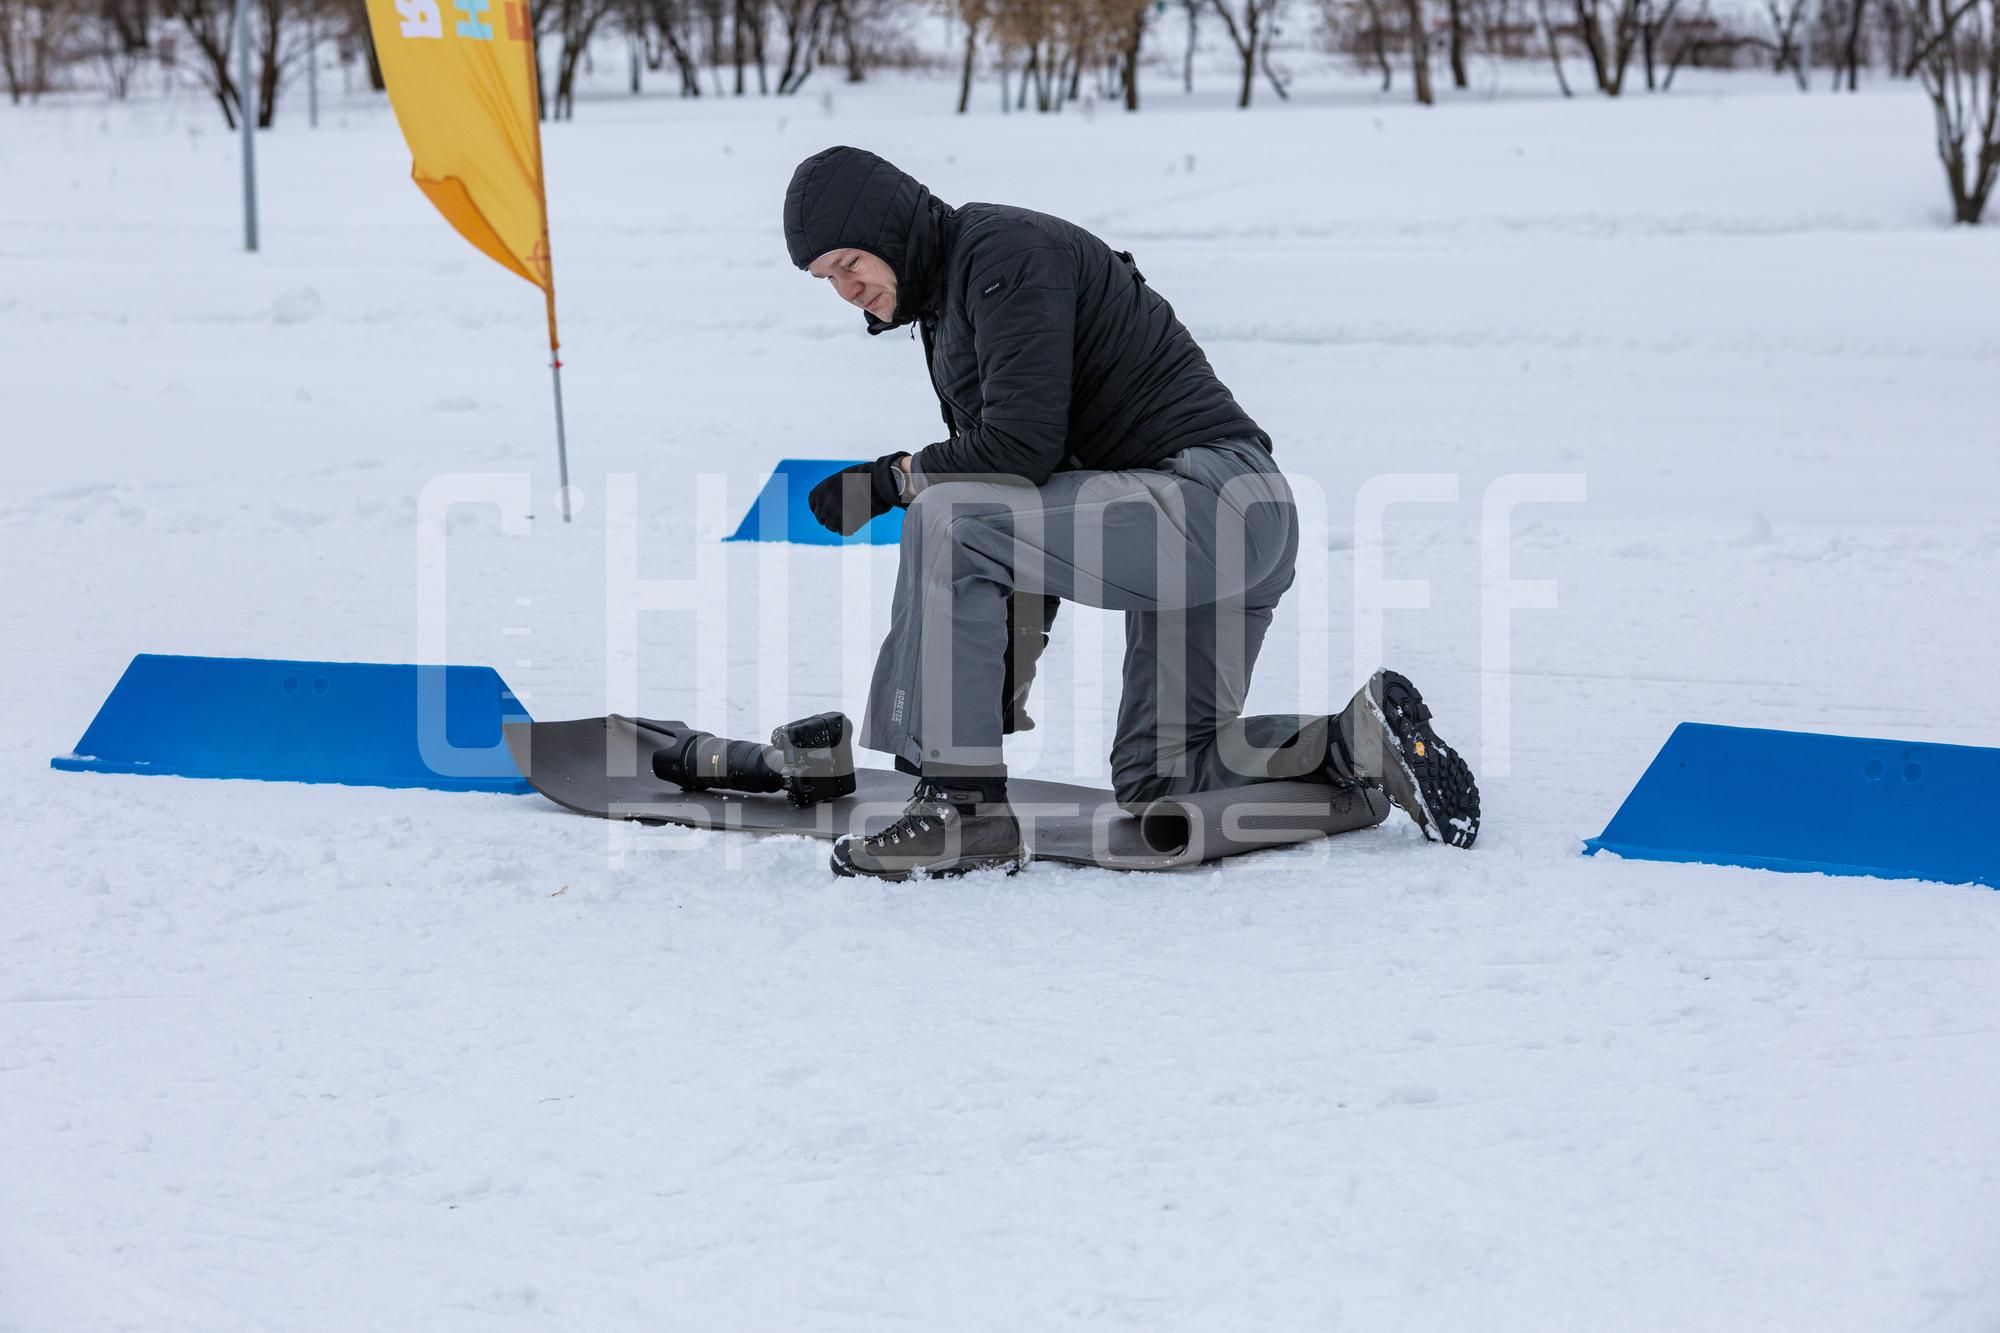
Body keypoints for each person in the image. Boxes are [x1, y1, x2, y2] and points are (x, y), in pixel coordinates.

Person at [784, 146, 1479, 880]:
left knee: (943, 517)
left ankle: (962, 812)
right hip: (1222, 523)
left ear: (892, 228)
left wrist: (896, 479)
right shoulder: (958, 298)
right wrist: (983, 685)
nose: (846, 288)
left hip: (1206, 501)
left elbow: (1017, 453)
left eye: (851, 261)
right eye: (826, 279)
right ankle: (1354, 743)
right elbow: (1022, 511)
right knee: (1164, 780)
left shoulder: (999, 253)